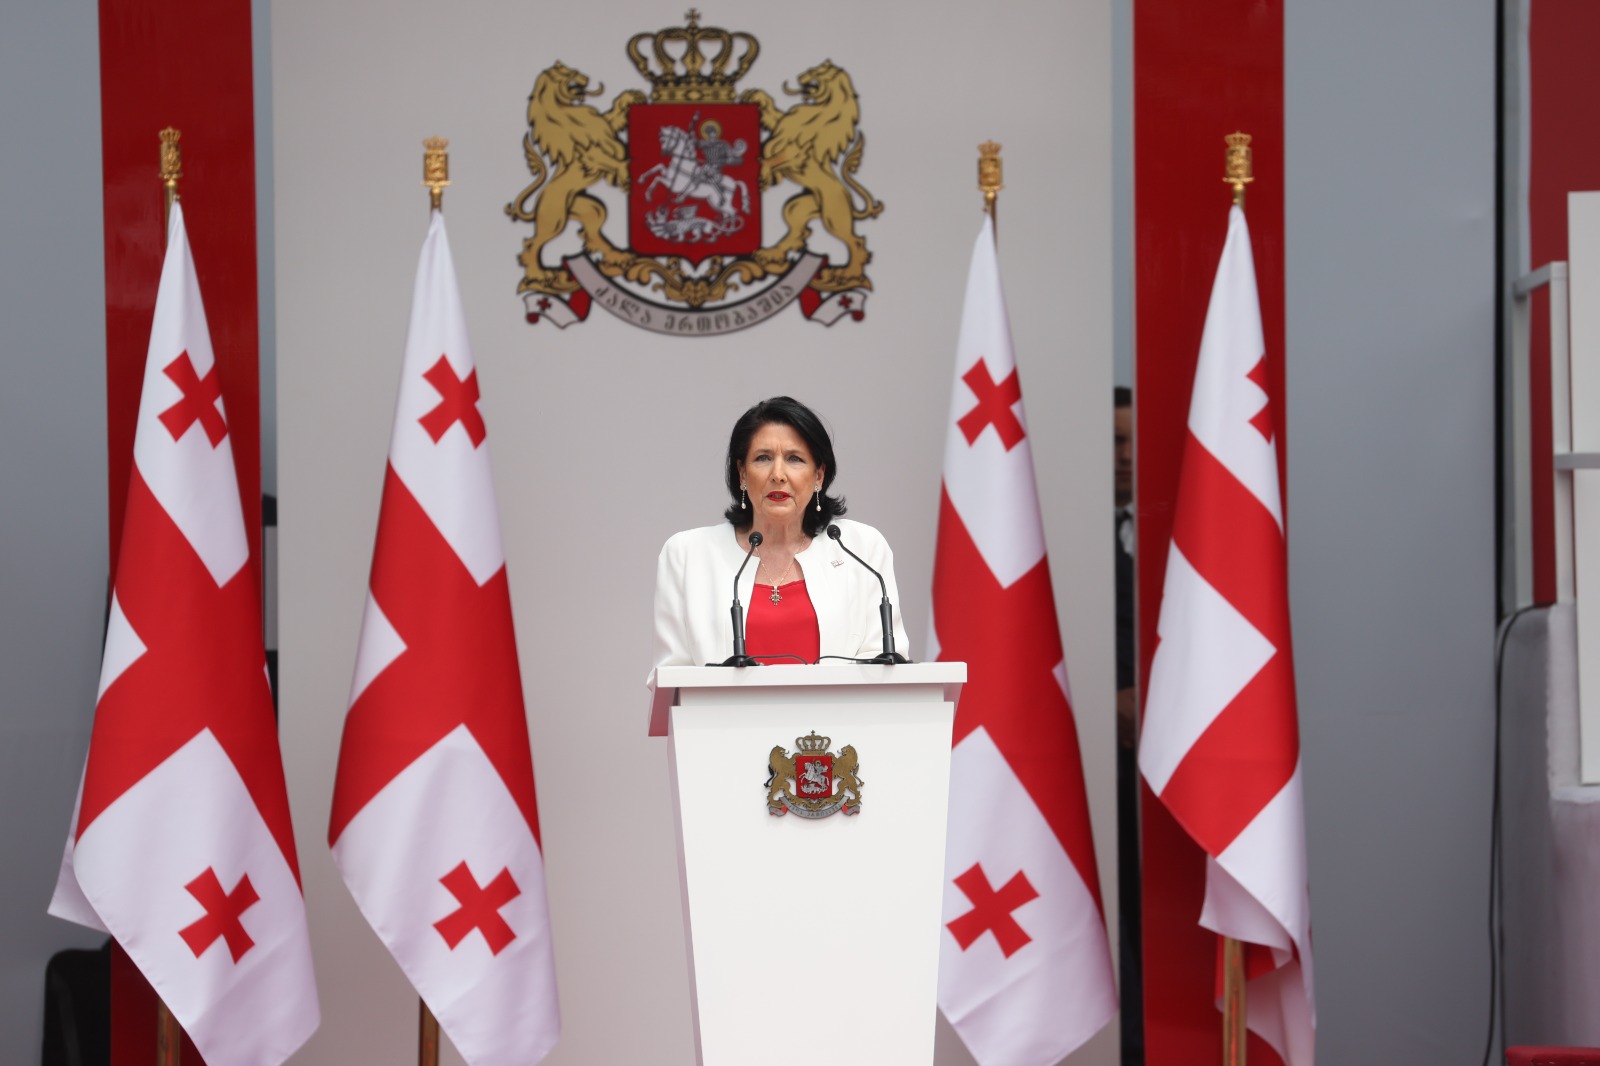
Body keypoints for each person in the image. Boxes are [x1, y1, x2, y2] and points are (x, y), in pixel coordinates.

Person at [652, 396, 910, 669]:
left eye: (794, 459)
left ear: (819, 475)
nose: (778, 474)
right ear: (742, 473)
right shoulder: (687, 555)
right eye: (763, 458)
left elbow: (885, 671)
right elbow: (672, 679)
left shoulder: (862, 549)